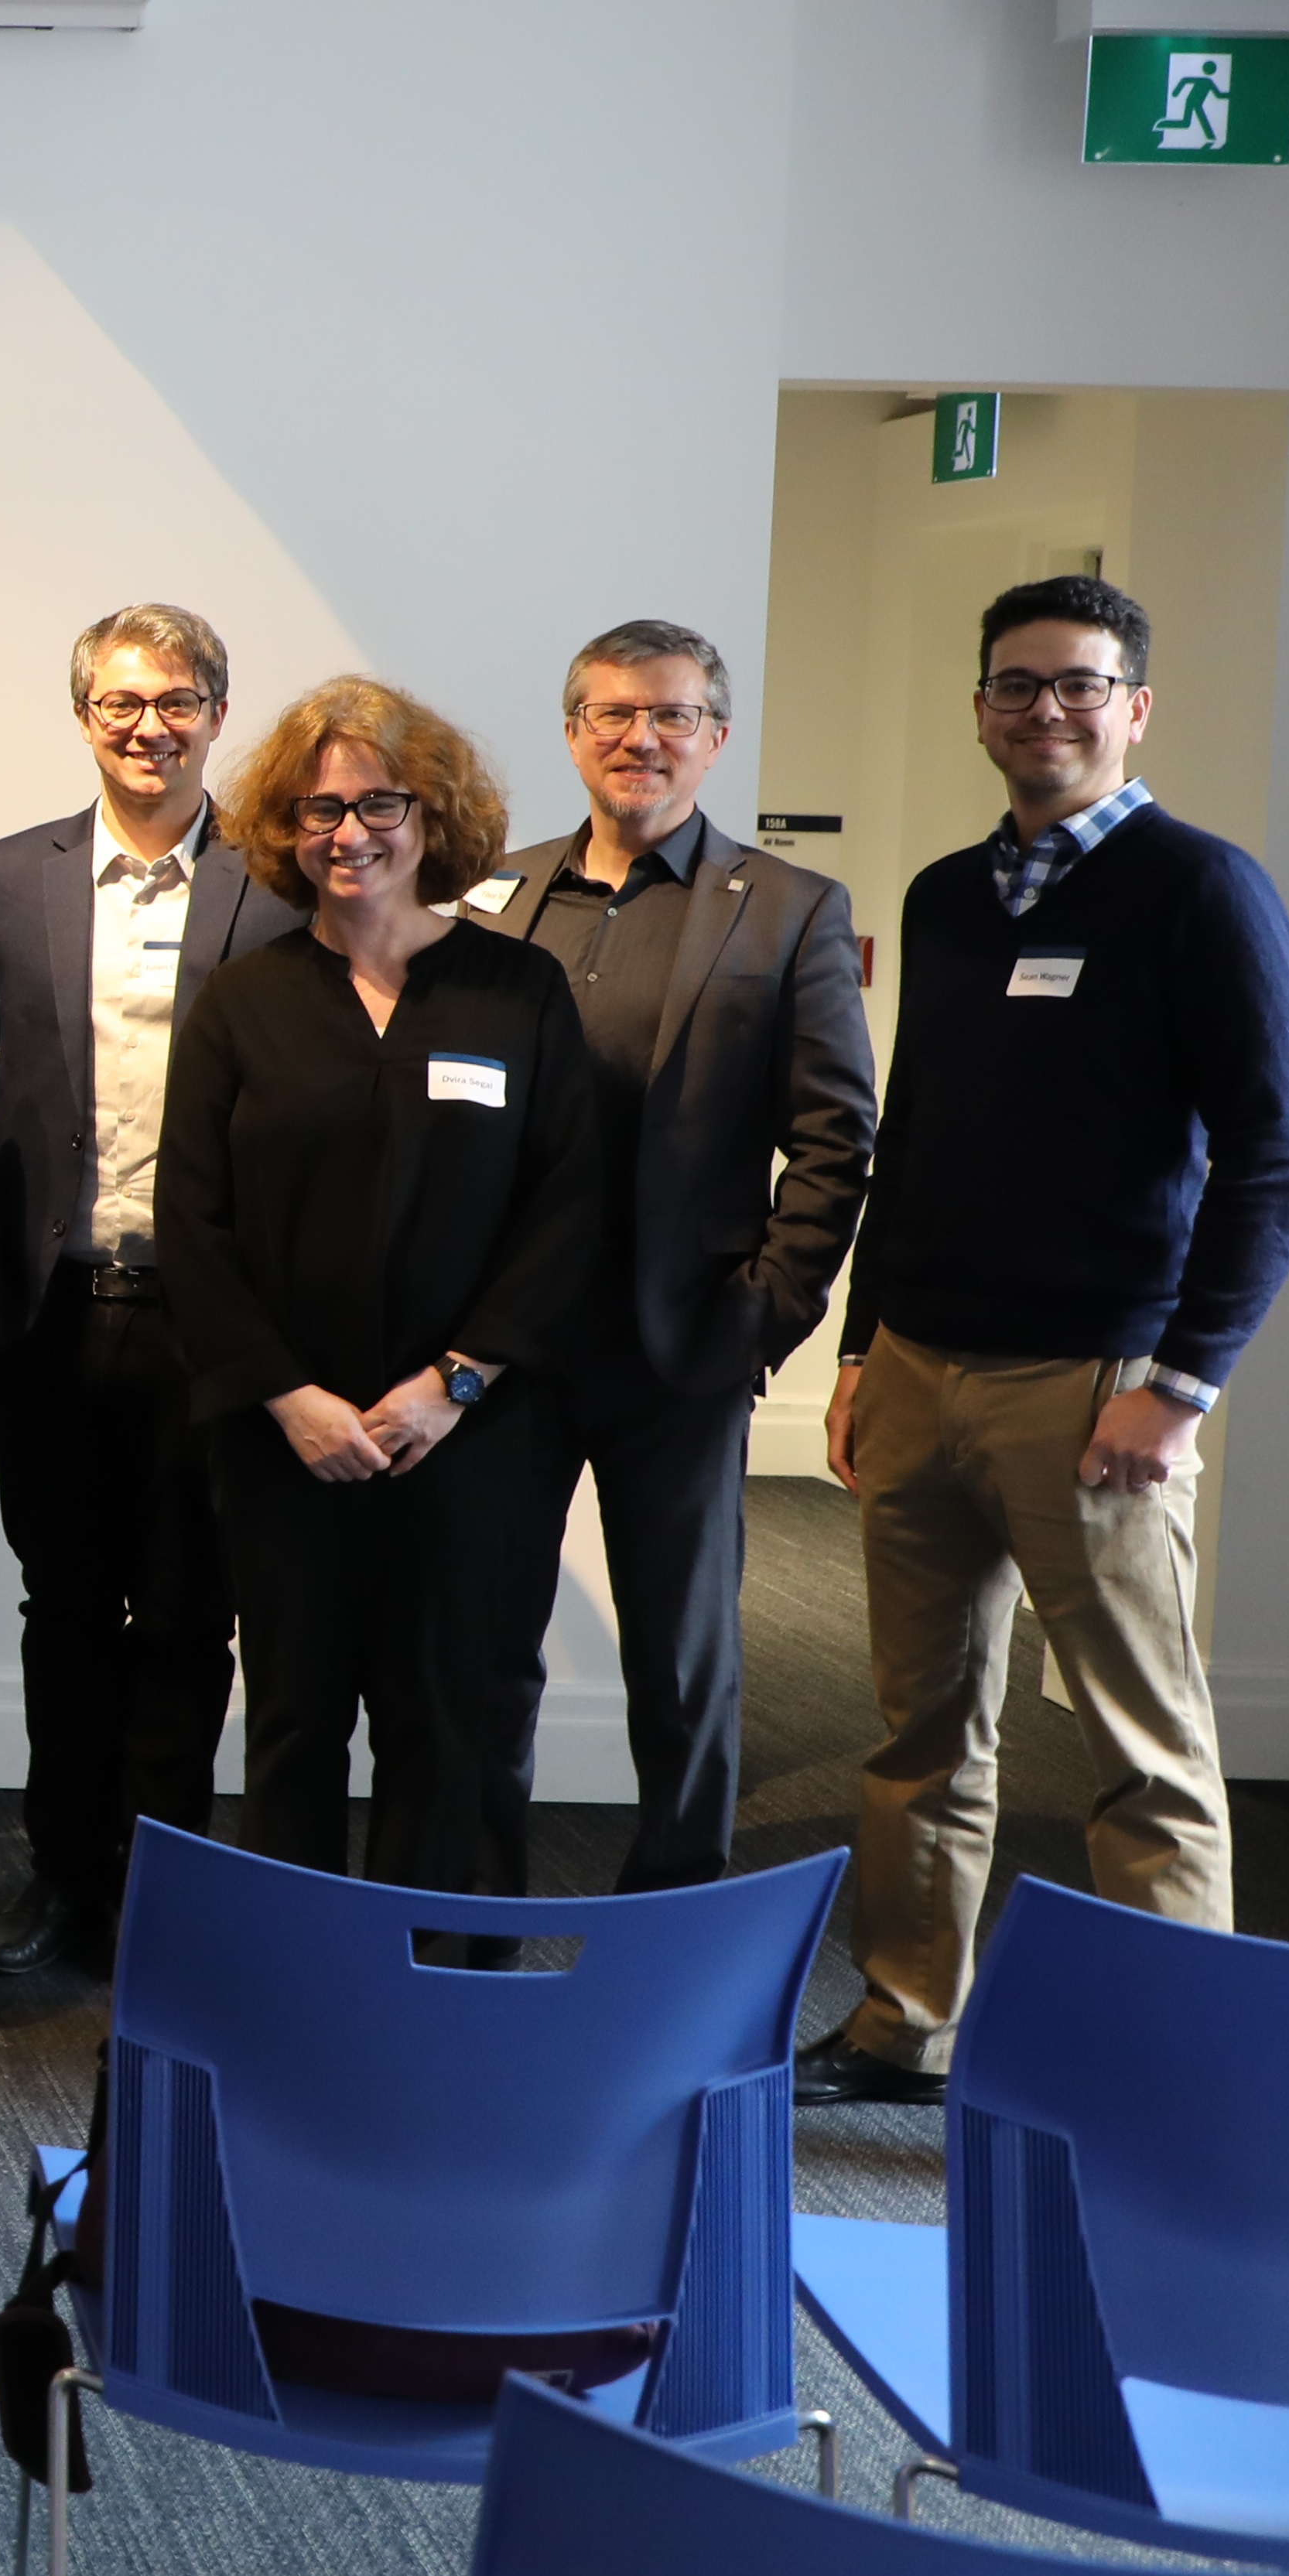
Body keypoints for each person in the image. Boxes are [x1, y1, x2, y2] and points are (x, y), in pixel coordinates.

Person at [797, 575, 1289, 2107]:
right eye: (1017, 685)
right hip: (917, 1369)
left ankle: (1178, 2076)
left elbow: (1278, 1156)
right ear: (980, 710)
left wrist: (1180, 1383)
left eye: (1080, 685)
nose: (1046, 710)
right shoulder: (951, 896)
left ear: (1134, 707)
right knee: (920, 1731)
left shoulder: (1202, 888)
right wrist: (858, 1340)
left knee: (1141, 1753)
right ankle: (907, 2020)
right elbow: (918, 1137)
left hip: (1092, 1386)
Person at [156, 679, 602, 1893]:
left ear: (433, 815)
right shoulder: (245, 1003)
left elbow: (571, 1207)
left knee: (457, 1721)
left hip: (473, 1435)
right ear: (283, 834)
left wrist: (454, 1382)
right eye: (317, 811)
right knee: (295, 1724)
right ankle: (298, 1993)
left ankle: (446, 1977)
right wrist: (288, 1398)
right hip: (285, 1440)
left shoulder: (519, 995)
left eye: (377, 804)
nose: (348, 833)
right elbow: (190, 1222)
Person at [460, 621, 875, 1897]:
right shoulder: (494, 895)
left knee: (683, 1661)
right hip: (504, 1348)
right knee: (482, 1650)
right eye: (613, 714)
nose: (642, 738)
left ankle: (678, 1909)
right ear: (575, 731)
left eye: (673, 716)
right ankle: (472, 1907)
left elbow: (836, 1135)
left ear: (717, 737)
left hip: (680, 1343)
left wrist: (764, 1317)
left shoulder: (789, 910)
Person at [0, 601, 299, 1976]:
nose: (149, 728)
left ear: (218, 712)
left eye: (178, 702)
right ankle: (61, 1874)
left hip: (213, 1325)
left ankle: (166, 1889)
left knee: (192, 1621)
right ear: (84, 716)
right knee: (68, 1613)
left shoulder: (280, 883)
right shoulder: (0, 881)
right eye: (122, 704)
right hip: (53, 1316)